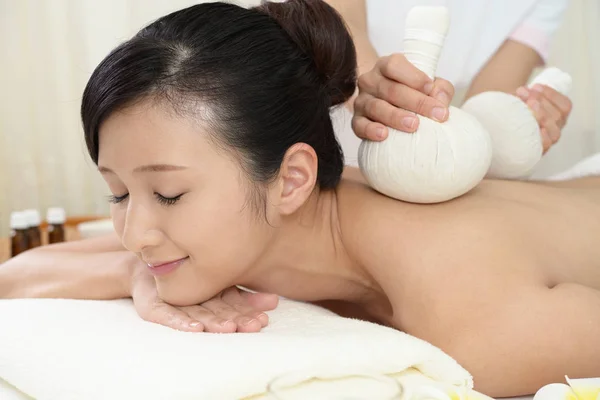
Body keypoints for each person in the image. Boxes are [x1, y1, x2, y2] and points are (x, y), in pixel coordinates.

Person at [1, 1, 598, 397]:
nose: (135, 230)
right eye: (118, 193)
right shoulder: (279, 222)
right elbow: (17, 276)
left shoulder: (474, 321)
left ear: (291, 179)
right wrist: (138, 273)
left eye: (169, 193)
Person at [326, 0, 572, 154]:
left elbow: (489, 108)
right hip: (321, 113)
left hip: (411, 138)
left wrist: (520, 128)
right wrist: (369, 86)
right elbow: (339, 18)